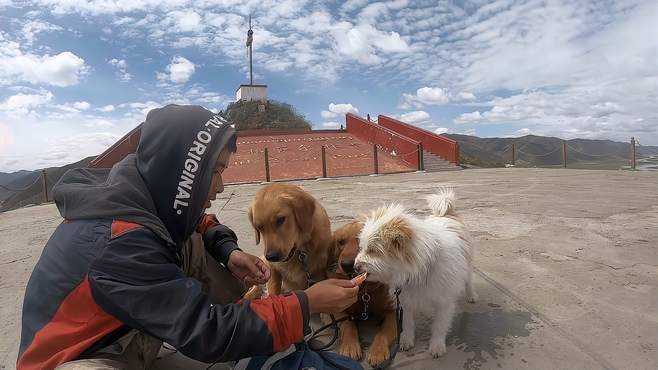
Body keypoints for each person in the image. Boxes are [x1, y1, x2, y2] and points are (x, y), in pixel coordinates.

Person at [17, 104, 359, 370]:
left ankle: (246, 316)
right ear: (184, 172)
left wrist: (228, 252)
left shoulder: (141, 197)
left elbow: (200, 223)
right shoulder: (119, 243)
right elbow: (206, 334)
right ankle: (246, 326)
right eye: (216, 171)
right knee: (214, 334)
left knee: (197, 241)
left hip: (129, 333)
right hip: (83, 359)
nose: (222, 186)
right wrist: (307, 304)